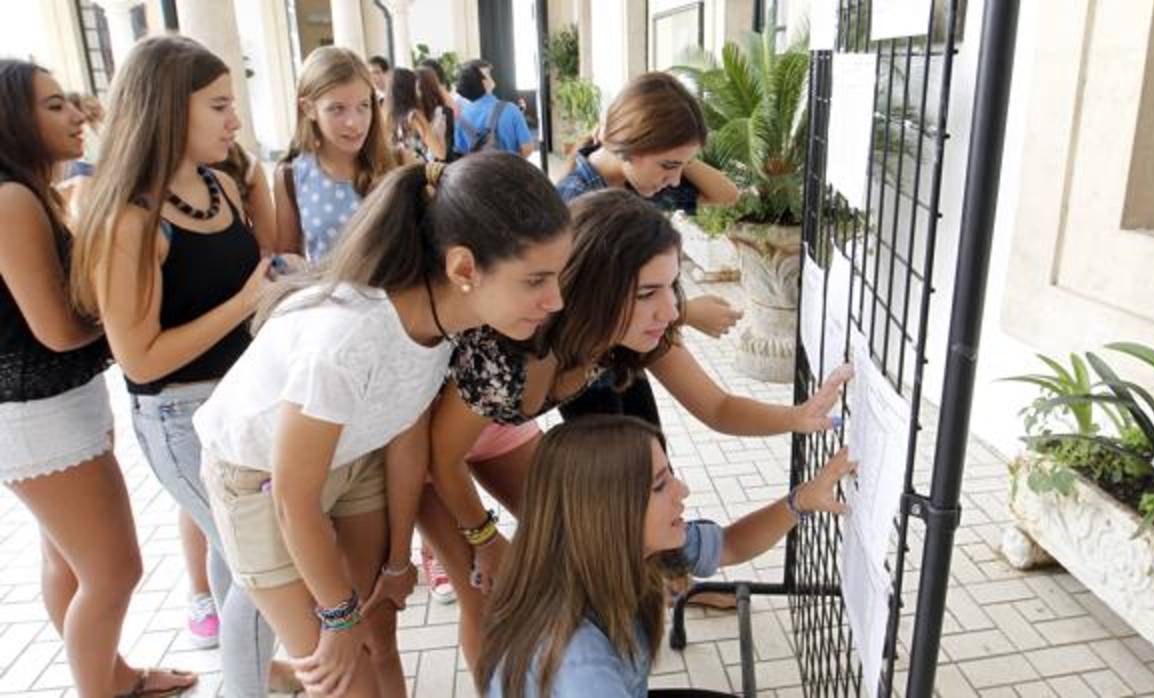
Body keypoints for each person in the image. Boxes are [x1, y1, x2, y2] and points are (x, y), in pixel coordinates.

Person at [421, 189, 853, 665]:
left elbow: (718, 406)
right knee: (483, 590)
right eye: (648, 293)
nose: (670, 310)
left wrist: (797, 416)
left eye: (672, 287)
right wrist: (485, 539)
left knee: (603, 539)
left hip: (500, 428)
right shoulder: (512, 344)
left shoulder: (631, 330)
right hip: (424, 449)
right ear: (590, 287)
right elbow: (441, 458)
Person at [194, 153, 571, 697]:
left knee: (378, 639)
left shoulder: (453, 319)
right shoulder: (347, 338)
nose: (555, 300)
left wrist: (398, 561)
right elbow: (293, 500)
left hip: (357, 458)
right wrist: (337, 618)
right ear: (463, 268)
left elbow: (405, 438)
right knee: (343, 674)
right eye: (536, 279)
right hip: (259, 482)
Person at [69, 36, 293, 696]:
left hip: (240, 405)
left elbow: (254, 277)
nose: (235, 121)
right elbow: (138, 357)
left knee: (239, 564)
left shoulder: (221, 185)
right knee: (262, 565)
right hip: (179, 417)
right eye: (220, 105)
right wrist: (247, 301)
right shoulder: (130, 220)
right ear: (168, 109)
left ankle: (250, 675)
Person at [0, 58, 196, 698]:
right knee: (114, 572)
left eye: (71, 101)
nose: (79, 114)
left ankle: (116, 676)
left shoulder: (34, 189)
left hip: (56, 405)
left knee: (70, 562)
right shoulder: (11, 198)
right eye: (54, 105)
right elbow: (56, 330)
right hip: (38, 413)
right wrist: (132, 323)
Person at [477, 416, 855, 696]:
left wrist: (802, 500)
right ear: (608, 510)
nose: (683, 490)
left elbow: (730, 544)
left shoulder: (621, 548)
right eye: (660, 485)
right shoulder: (579, 663)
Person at [556, 71, 744, 429]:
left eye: (681, 166)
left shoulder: (641, 181)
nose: (675, 179)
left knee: (650, 456)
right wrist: (684, 312)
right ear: (630, 145)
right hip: (585, 369)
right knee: (623, 471)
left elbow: (727, 195)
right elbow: (584, 307)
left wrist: (680, 154)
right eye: (669, 165)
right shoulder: (576, 202)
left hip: (622, 356)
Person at [275, 46, 396, 263]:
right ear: (308, 108)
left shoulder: (398, 162)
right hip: (328, 295)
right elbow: (290, 259)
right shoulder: (291, 175)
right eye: (337, 109)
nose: (354, 122)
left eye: (363, 106)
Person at [454, 59, 534, 157]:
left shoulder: (461, 118)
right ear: (483, 83)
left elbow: (461, 155)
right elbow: (527, 148)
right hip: (510, 170)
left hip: (476, 171)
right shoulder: (510, 109)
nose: (491, 77)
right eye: (488, 74)